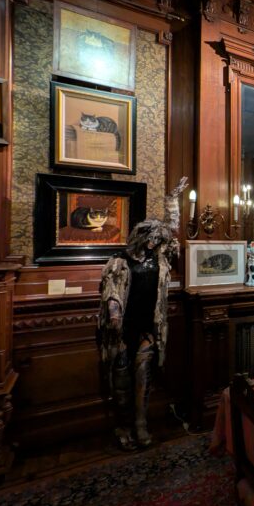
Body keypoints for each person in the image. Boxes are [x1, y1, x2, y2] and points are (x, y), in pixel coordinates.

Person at [97, 176, 187, 450]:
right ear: (141, 237)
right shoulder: (119, 261)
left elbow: (173, 231)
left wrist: (173, 200)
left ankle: (141, 424)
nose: (154, 244)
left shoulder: (159, 260)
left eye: (157, 241)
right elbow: (111, 292)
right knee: (121, 383)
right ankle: (123, 427)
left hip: (149, 327)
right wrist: (114, 314)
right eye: (151, 239)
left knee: (143, 380)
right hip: (123, 331)